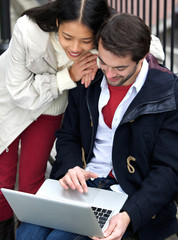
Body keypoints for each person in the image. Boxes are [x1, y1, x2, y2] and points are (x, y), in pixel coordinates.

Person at [16, 13, 178, 240]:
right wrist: (71, 167)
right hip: (84, 185)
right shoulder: (89, 77)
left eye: (120, 68)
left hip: (131, 195)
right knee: (26, 234)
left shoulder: (168, 91)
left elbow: (168, 171)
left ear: (142, 58)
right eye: (103, 62)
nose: (109, 74)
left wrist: (130, 214)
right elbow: (68, 135)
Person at [0, 0, 112, 239]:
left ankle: (28, 231)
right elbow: (19, 91)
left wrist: (98, 59)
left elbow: (144, 43)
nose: (75, 48)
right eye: (67, 36)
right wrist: (69, 75)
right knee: (2, 183)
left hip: (50, 106)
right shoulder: (27, 30)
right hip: (9, 100)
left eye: (86, 41)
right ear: (57, 22)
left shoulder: (105, 31)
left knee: (32, 184)